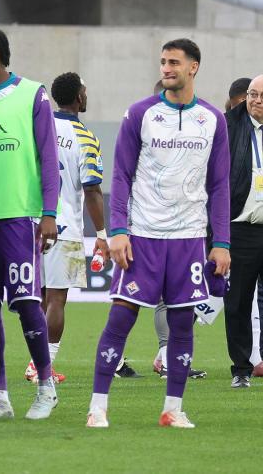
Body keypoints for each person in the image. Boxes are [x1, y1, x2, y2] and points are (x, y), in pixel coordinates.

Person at [86, 38, 230, 429]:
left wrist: (221, 243)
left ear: (193, 67)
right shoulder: (140, 114)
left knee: (182, 326)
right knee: (120, 319)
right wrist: (118, 231)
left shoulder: (213, 119)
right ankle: (97, 407)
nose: (165, 68)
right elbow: (121, 175)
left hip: (189, 239)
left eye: (174, 63)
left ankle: (173, 409)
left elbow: (219, 186)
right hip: (143, 237)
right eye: (163, 62)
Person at [0, 26, 60, 421]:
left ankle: (46, 387)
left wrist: (49, 213)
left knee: (26, 302)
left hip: (18, 216)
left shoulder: (33, 93)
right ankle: (0, 397)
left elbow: (48, 158)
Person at [33, 72, 107, 384]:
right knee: (57, 300)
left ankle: (35, 361)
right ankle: (42, 367)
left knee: (37, 298)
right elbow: (92, 190)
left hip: (30, 222)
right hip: (64, 226)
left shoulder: (36, 126)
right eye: (85, 91)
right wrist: (102, 235)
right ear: (78, 97)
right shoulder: (86, 138)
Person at [224, 75, 263, 387]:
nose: (256, 100)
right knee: (237, 300)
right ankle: (241, 369)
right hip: (241, 228)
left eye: (262, 95)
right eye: (252, 94)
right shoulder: (229, 126)